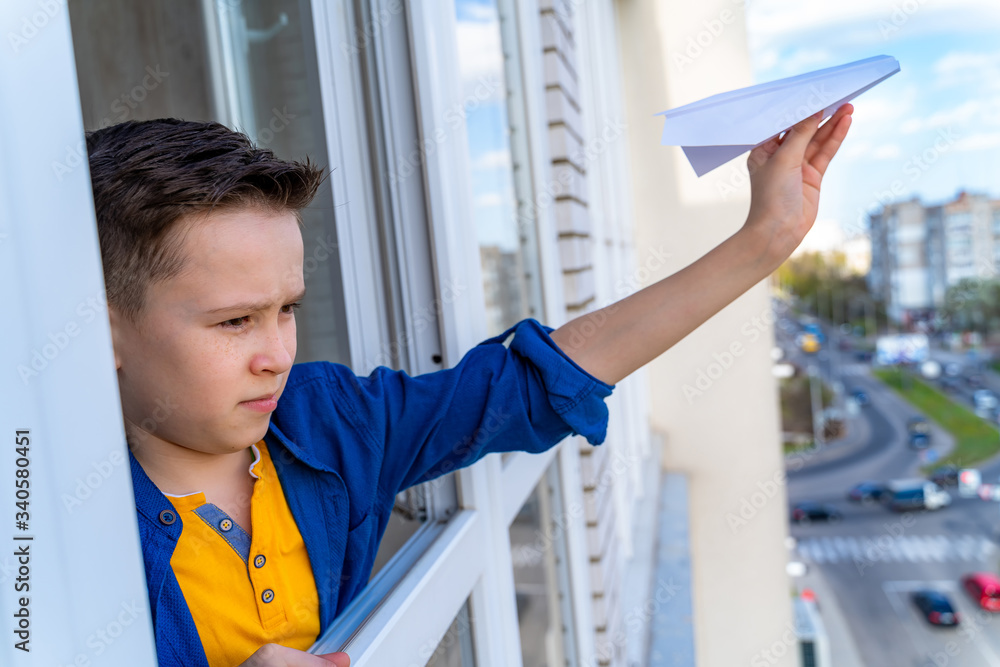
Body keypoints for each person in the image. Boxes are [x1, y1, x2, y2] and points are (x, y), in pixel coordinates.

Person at [88, 102, 853, 667]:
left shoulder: (325, 421)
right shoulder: (56, 530)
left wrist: (764, 242)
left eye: (286, 310)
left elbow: (528, 384)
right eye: (233, 323)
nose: (276, 354)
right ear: (104, 328)